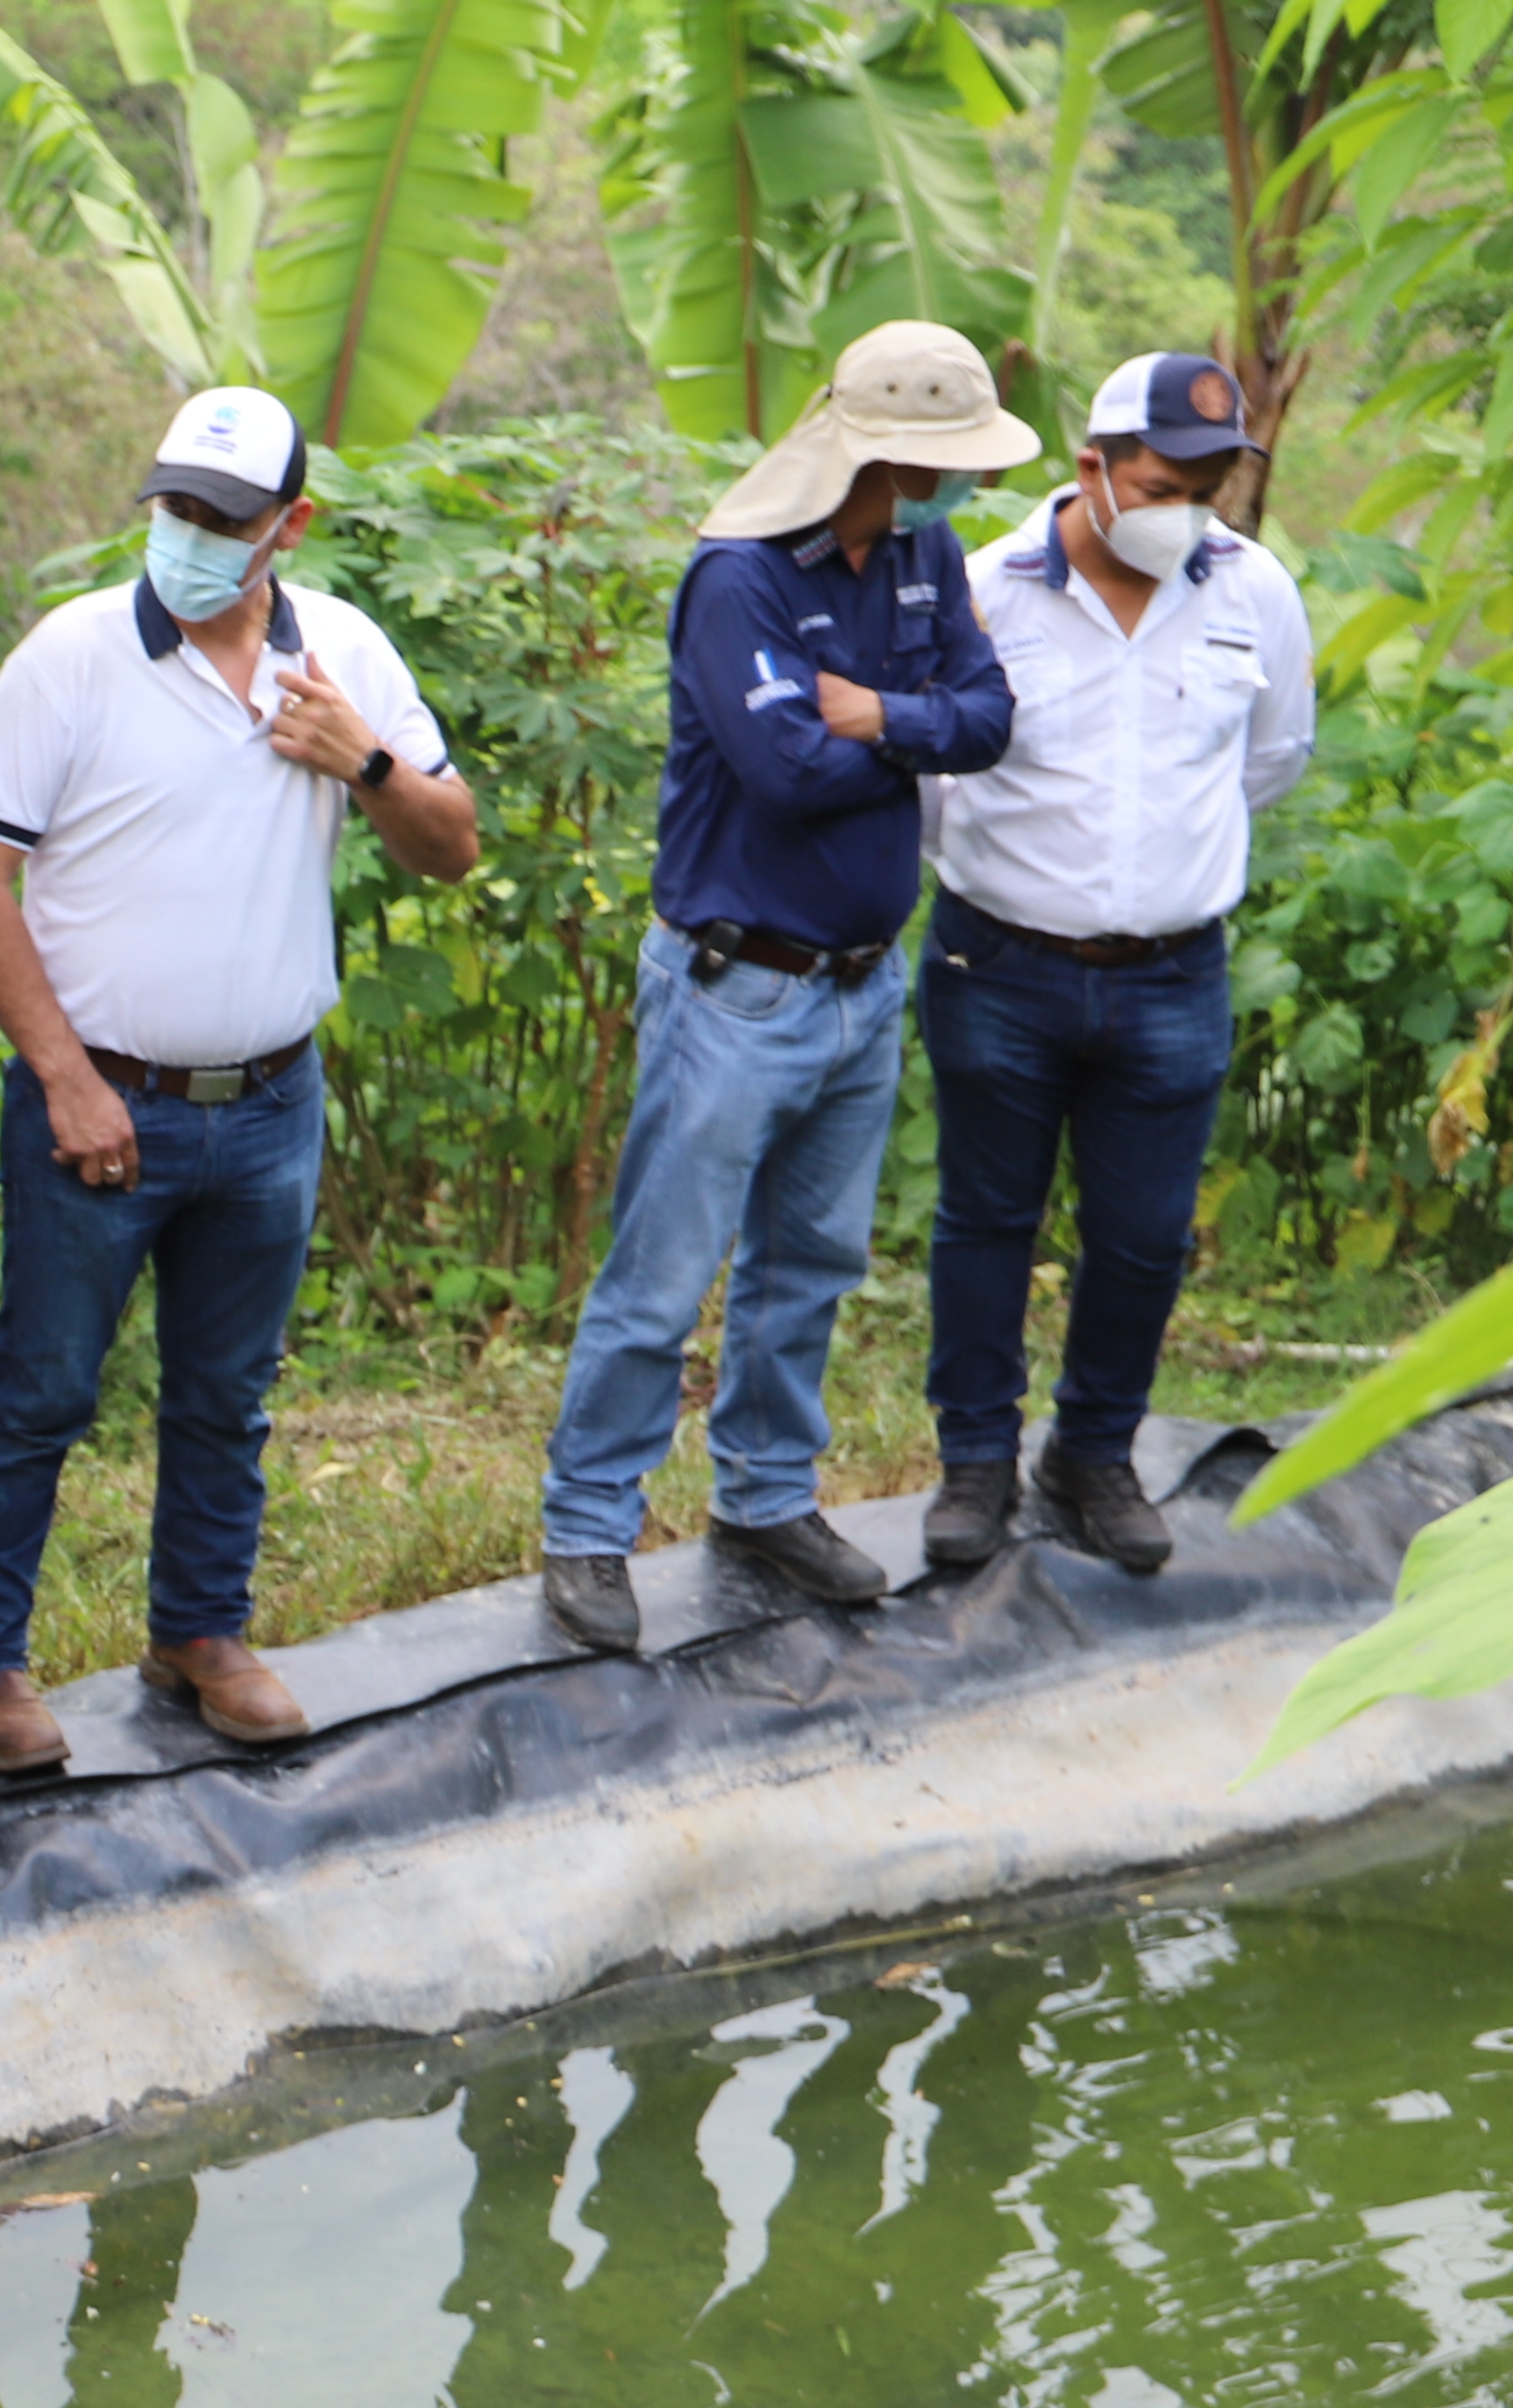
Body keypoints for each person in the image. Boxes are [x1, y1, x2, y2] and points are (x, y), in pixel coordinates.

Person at [0, 388, 481, 1775]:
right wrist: (61, 1077)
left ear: (288, 527)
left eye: (222, 520)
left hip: (272, 1102)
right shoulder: (69, 660)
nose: (186, 536)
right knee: (44, 1388)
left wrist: (359, 760)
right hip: (103, 1101)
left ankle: (200, 1632)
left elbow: (452, 843)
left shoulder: (340, 655)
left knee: (227, 1390)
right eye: (172, 507)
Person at [534, 321, 1031, 1659]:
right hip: (733, 989)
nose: (951, 487)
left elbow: (989, 721)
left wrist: (872, 713)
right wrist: (903, 723)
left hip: (866, 985)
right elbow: (786, 773)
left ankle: (764, 1498)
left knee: (808, 1261)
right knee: (665, 1271)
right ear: (869, 449)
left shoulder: (926, 555)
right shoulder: (739, 578)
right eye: (935, 463)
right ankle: (588, 1524)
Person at [915, 353, 1321, 1580]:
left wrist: (1153, 875)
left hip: (1172, 975)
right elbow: (934, 780)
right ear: (1090, 467)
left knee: (1146, 1236)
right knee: (987, 1219)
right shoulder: (985, 591)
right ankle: (976, 1463)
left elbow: (1273, 757)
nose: (1187, 507)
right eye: (1161, 481)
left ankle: (1092, 1455)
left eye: (1211, 483)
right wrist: (1034, 882)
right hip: (1000, 963)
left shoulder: (1254, 592)